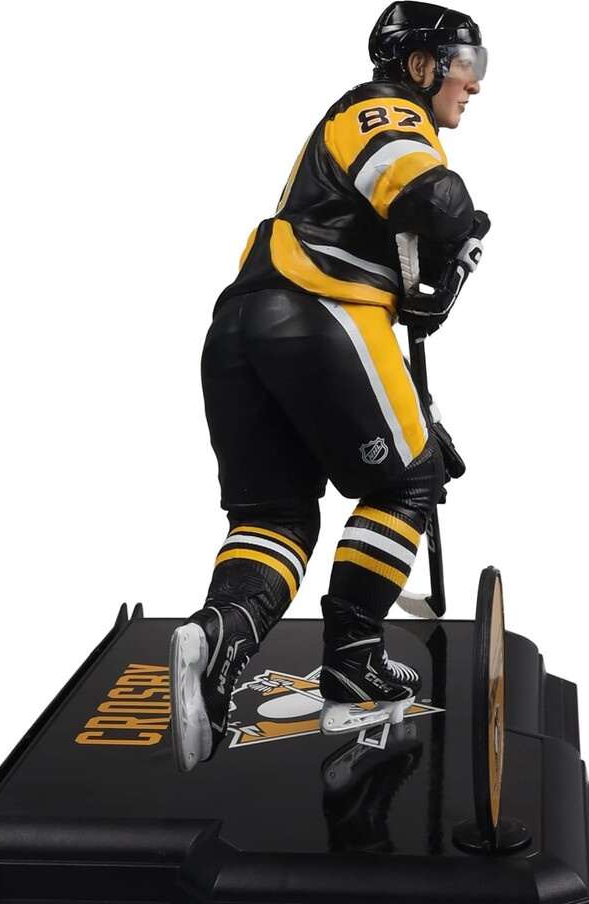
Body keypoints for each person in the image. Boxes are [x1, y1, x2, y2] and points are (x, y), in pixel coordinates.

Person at [169, 2, 487, 772]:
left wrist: (429, 278)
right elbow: (427, 196)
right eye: (467, 64)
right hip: (318, 312)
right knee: (410, 480)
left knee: (274, 515)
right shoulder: (383, 108)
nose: (475, 84)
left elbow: (398, 262)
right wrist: (463, 226)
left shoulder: (349, 137)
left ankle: (218, 636)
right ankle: (353, 662)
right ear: (420, 65)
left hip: (242, 327)